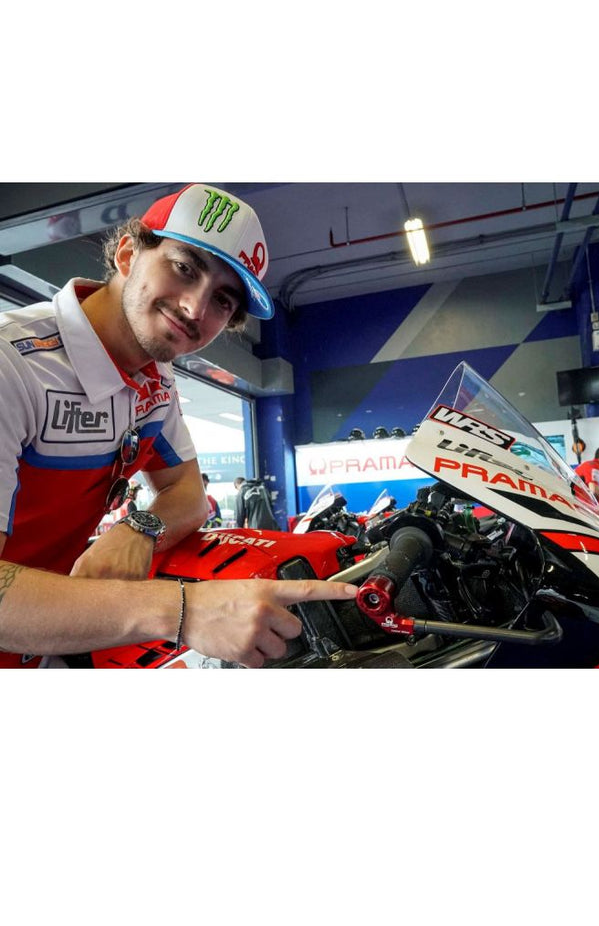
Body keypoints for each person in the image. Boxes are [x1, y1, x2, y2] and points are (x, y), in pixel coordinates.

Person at [0, 182, 357, 668]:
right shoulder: (14, 365)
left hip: (46, 644)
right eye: (185, 268)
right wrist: (184, 611)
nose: (195, 309)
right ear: (128, 254)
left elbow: (189, 495)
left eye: (223, 300)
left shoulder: (154, 378)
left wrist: (139, 528)